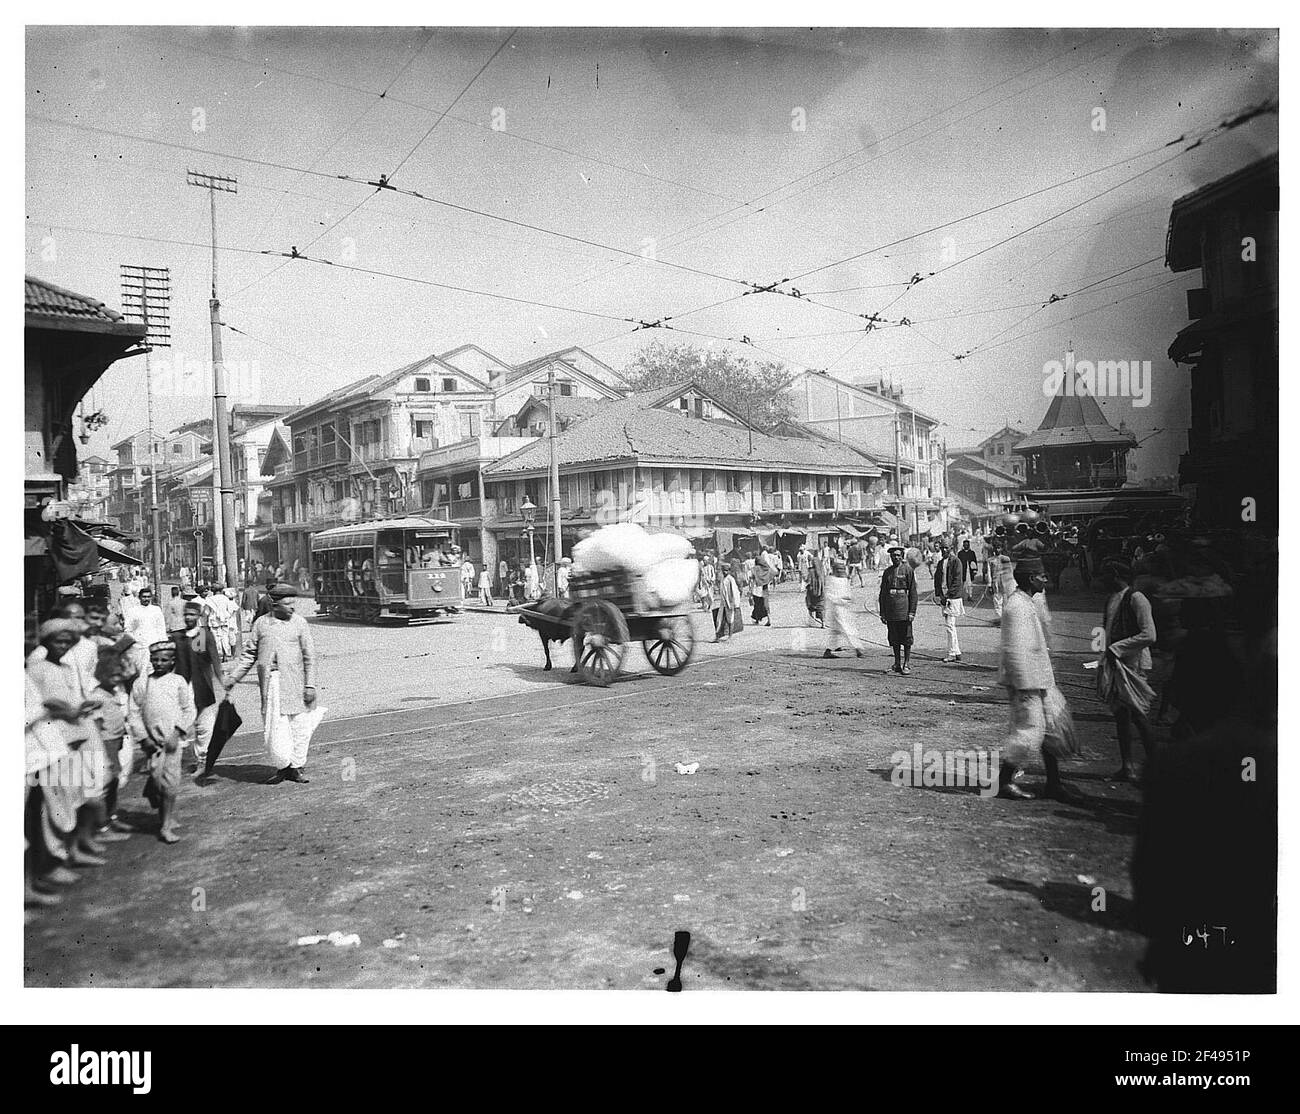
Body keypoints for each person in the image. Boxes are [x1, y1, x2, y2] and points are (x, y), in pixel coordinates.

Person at [995, 551, 1082, 803]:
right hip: (1026, 683)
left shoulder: (1027, 601)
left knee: (1050, 730)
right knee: (1030, 731)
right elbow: (1015, 650)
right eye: (1043, 576)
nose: (1047, 580)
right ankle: (1003, 781)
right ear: (1032, 578)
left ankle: (1054, 783)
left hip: (1039, 679)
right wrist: (1026, 686)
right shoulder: (1017, 607)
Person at [225, 584, 319, 785]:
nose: (292, 607)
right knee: (275, 730)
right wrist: (234, 677)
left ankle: (297, 768)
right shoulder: (261, 624)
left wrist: (310, 685)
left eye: (294, 603)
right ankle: (282, 767)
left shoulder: (300, 623)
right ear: (275, 605)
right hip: (271, 685)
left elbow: (310, 656)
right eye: (287, 604)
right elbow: (249, 655)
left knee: (300, 727)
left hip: (296, 683)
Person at [1097, 559, 1158, 783]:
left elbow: (1149, 635)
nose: (1101, 580)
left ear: (1114, 574)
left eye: (1105, 575)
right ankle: (1127, 767)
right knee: (1121, 715)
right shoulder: (1112, 598)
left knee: (1139, 716)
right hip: (1117, 663)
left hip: (1134, 664)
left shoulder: (1136, 598)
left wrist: (1118, 648)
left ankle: (1156, 768)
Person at [128, 640, 194, 842]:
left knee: (170, 783)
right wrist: (143, 737)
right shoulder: (142, 683)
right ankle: (156, 798)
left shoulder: (178, 681)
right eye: (155, 660)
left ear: (172, 661)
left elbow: (189, 709)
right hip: (152, 743)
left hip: (172, 742)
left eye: (164, 660)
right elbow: (134, 713)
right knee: (158, 781)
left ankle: (165, 825)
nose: (159, 663)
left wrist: (177, 733)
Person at [171, 600, 225, 776]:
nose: (188, 617)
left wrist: (223, 683)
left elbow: (215, 660)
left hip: (203, 687)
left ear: (199, 616)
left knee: (204, 726)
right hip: (182, 688)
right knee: (179, 725)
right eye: (186, 614)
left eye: (192, 614)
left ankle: (202, 761)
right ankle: (176, 761)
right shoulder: (177, 637)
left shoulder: (204, 635)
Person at [878, 545, 918, 674]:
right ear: (890, 557)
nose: (896, 557)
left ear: (902, 556)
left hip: (904, 607)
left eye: (898, 555)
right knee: (894, 637)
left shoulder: (908, 570)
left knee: (906, 637)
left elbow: (913, 592)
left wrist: (912, 611)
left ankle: (906, 663)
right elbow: (883, 593)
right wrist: (883, 612)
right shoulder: (887, 572)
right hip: (891, 608)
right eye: (893, 555)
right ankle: (897, 663)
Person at [124, 585, 168, 685]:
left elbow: (161, 628)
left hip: (154, 646)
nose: (146, 599)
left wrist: (163, 646)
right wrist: (133, 643)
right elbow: (128, 629)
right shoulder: (133, 611)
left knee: (154, 673)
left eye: (148, 597)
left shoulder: (156, 610)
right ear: (139, 597)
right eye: (144, 597)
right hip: (139, 647)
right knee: (140, 674)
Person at [822, 558, 865, 658]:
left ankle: (828, 651)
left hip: (845, 608)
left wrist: (849, 600)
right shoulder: (831, 580)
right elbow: (829, 595)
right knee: (847, 629)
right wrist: (841, 600)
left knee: (835, 631)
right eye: (838, 569)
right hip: (836, 609)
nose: (841, 571)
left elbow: (848, 593)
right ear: (834, 570)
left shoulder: (845, 580)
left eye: (842, 569)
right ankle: (858, 649)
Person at [933, 538, 965, 663]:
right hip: (944, 596)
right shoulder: (941, 562)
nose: (944, 550)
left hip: (953, 597)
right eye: (942, 548)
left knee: (950, 625)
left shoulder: (956, 561)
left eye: (946, 548)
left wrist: (947, 596)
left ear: (951, 548)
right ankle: (956, 651)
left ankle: (952, 653)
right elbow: (937, 579)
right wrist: (938, 595)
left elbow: (957, 581)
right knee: (950, 625)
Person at [715, 561, 742, 642]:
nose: (724, 572)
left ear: (729, 571)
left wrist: (734, 603)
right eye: (723, 570)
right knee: (719, 619)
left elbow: (734, 592)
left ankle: (730, 636)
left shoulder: (730, 579)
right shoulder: (723, 579)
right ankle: (718, 636)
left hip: (729, 602)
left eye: (726, 570)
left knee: (730, 619)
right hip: (723, 602)